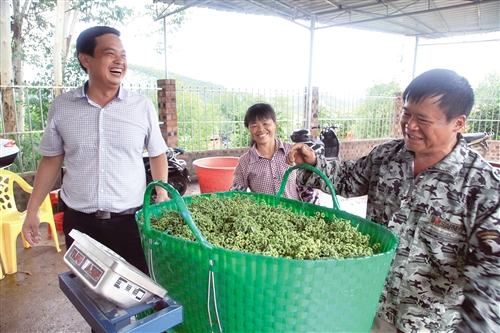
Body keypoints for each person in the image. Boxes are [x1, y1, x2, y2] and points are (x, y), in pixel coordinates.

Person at [286, 69, 500, 332]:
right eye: (406, 113)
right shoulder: (387, 156)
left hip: (430, 324)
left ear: (458, 123)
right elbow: (345, 179)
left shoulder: (483, 188)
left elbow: (491, 280)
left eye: (423, 119)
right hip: (369, 307)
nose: (410, 125)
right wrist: (314, 164)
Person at [22, 26, 169, 275]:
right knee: (90, 292)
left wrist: (161, 194)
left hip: (131, 223)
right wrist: (33, 210)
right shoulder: (62, 107)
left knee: (140, 290)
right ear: (85, 59)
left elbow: (157, 153)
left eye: (123, 54)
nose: (120, 61)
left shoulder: (141, 106)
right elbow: (50, 161)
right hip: (79, 224)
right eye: (110, 53)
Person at [230, 103, 319, 204]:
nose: (260, 129)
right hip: (264, 218)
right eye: (254, 126)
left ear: (275, 125)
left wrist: (316, 213)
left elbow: (308, 188)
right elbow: (236, 196)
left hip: (296, 215)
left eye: (265, 124)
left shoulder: (293, 152)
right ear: (249, 129)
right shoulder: (245, 162)